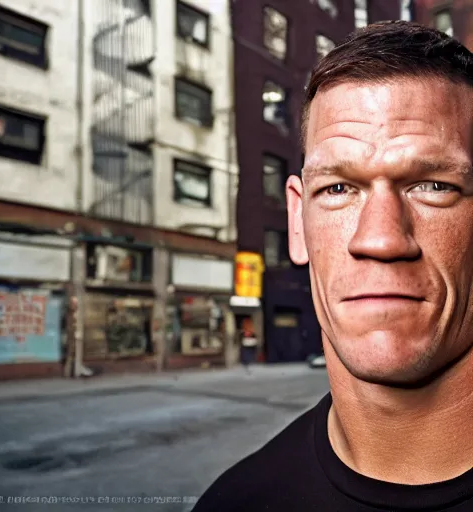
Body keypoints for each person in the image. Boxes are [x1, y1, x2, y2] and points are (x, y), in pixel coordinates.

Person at [192, 21, 473, 511]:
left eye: (434, 185)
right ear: (297, 222)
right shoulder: (235, 504)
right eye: (338, 189)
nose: (381, 239)